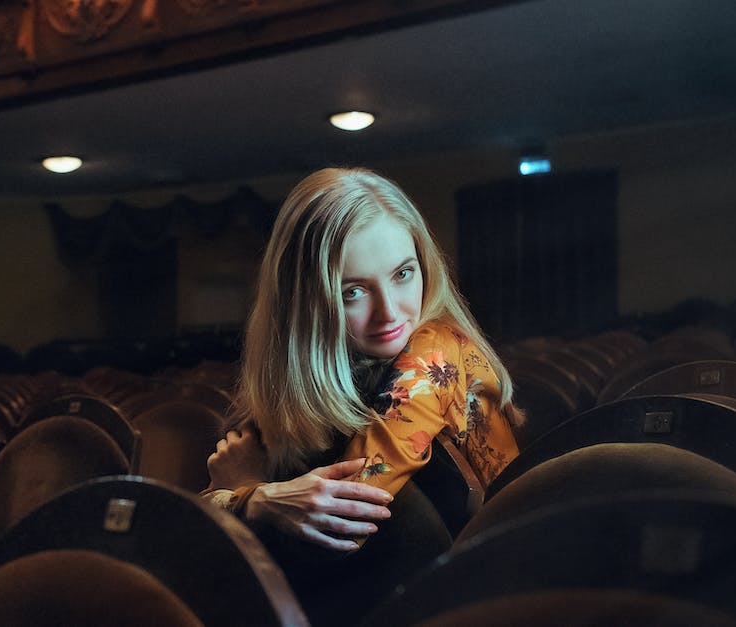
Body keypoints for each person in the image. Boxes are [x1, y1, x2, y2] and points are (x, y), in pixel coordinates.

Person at [203, 167, 523, 554]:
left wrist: (245, 492)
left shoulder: (436, 351)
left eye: (403, 273)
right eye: (352, 292)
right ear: (304, 307)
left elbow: (341, 524)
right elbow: (192, 533)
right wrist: (251, 499)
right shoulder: (296, 389)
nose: (389, 312)